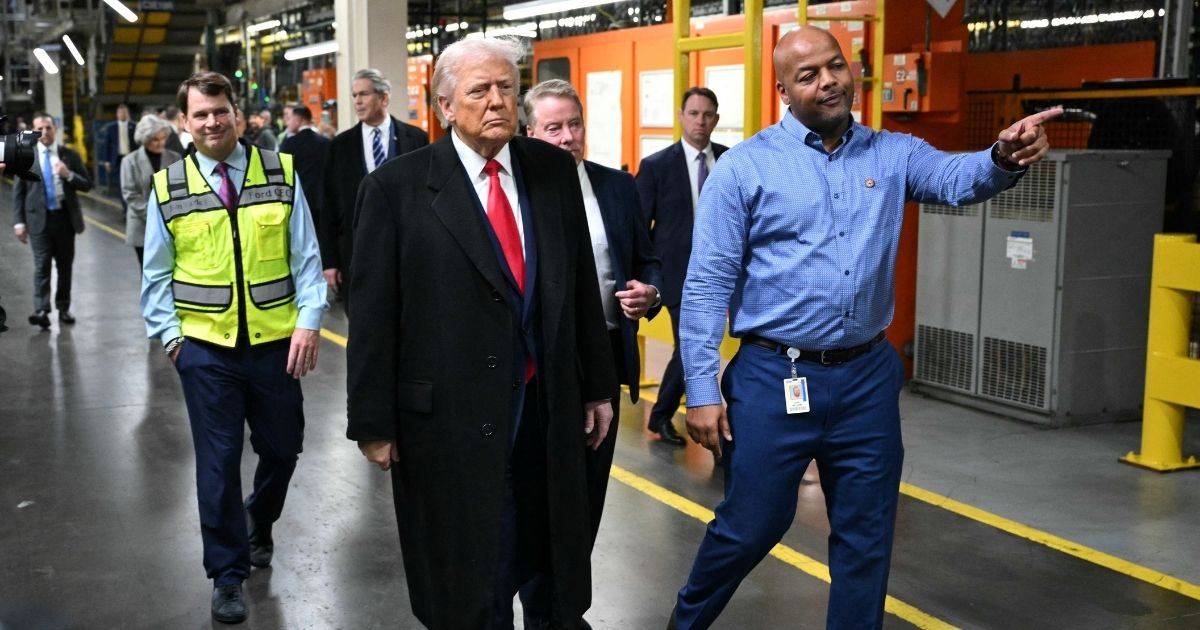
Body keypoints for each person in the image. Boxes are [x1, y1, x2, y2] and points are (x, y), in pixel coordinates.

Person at [667, 26, 1061, 630]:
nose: (827, 81)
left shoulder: (893, 153)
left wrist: (1002, 156)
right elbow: (705, 284)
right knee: (751, 525)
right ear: (783, 90)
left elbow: (958, 179)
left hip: (867, 379)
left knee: (866, 533)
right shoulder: (745, 169)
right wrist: (700, 389)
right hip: (777, 376)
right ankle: (686, 622)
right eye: (808, 75)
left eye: (835, 67)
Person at [346, 37, 617, 629]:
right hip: (446, 423)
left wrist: (596, 386)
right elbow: (373, 318)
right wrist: (373, 423)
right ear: (444, 105)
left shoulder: (550, 171)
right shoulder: (395, 191)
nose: (498, 101)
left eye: (507, 87)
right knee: (471, 579)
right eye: (480, 91)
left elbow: (576, 289)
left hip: (544, 414)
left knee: (550, 564)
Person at [140, 71, 326, 625]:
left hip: (275, 345)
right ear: (184, 124)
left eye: (219, 110)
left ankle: (258, 521)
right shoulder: (168, 187)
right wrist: (174, 341)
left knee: (283, 447)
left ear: (237, 114)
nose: (211, 121)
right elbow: (155, 275)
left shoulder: (280, 171)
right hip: (206, 351)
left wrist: (309, 322)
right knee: (217, 465)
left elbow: (307, 257)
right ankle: (227, 573)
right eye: (199, 114)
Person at [521, 78, 663, 629]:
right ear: (529, 132)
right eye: (552, 128)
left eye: (573, 125)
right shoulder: (522, 194)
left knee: (590, 493)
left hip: (606, 354)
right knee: (544, 496)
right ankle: (543, 608)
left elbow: (647, 260)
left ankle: (565, 604)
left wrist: (648, 293)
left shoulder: (616, 186)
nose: (566, 137)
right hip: (547, 365)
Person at [636, 87, 728, 446]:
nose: (700, 121)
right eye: (693, 113)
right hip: (679, 274)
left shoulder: (730, 160)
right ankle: (663, 415)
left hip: (725, 274)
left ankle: (672, 415)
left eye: (707, 115)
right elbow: (640, 228)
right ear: (681, 116)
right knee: (691, 346)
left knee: (717, 347)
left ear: (716, 119)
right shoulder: (657, 166)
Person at [320, 68, 428, 313]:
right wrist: (330, 262)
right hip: (356, 256)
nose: (357, 101)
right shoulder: (340, 147)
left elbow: (428, 199)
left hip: (408, 254)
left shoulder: (416, 140)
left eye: (364, 94)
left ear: (384, 98)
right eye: (355, 95)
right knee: (362, 326)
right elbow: (329, 206)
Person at [12, 113, 93, 329]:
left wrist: (68, 175)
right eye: (40, 128)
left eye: (48, 127)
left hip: (65, 221)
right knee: (42, 266)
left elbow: (86, 184)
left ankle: (63, 307)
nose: (44, 132)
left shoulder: (70, 155)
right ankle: (41, 309)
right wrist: (19, 223)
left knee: (65, 266)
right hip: (38, 221)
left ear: (54, 129)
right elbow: (18, 193)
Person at [120, 114, 181, 265]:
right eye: (155, 139)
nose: (161, 143)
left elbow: (180, 190)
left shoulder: (175, 158)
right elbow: (130, 194)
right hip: (143, 227)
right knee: (149, 273)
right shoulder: (130, 161)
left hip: (170, 227)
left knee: (169, 273)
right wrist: (156, 217)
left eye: (163, 138)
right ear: (145, 140)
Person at [278, 105, 330, 228]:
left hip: (298, 201)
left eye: (290, 119)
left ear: (298, 120)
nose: (288, 123)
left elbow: (282, 173)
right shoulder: (325, 143)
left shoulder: (289, 143)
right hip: (322, 201)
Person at [101, 103, 138, 191]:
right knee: (121, 182)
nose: (122, 114)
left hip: (131, 157)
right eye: (120, 113)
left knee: (132, 180)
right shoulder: (111, 128)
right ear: (117, 114)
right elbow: (106, 145)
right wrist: (107, 161)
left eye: (125, 112)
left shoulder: (134, 126)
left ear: (128, 114)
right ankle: (123, 200)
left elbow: (138, 144)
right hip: (117, 159)